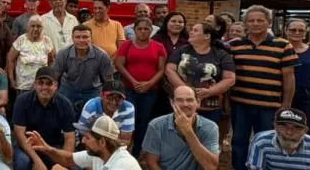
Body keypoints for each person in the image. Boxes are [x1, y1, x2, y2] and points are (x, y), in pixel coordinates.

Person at [227, 6, 298, 170]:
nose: (255, 24)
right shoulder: (235, 46)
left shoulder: (283, 45)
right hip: (240, 103)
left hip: (270, 105)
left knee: (267, 142)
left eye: (260, 20)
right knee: (239, 140)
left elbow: (289, 77)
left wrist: (286, 105)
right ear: (245, 24)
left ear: (269, 22)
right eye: (251, 20)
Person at [11, 67, 77, 170]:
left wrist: (62, 164)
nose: (44, 87)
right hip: (28, 145)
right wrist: (37, 160)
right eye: (40, 83)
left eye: (49, 83)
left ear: (56, 86)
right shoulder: (22, 100)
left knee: (76, 168)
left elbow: (70, 138)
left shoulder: (65, 104)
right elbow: (19, 134)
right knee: (22, 163)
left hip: (52, 145)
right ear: (35, 84)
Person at [165, 23, 236, 124]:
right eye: (191, 30)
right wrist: (186, 89)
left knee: (206, 132)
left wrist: (209, 92)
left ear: (207, 36)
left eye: (195, 30)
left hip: (210, 106)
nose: (191, 32)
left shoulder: (221, 55)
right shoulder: (182, 50)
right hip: (182, 103)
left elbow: (230, 79)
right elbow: (169, 70)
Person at [114, 17, 166, 150]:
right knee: (128, 118)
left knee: (144, 120)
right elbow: (119, 64)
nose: (143, 31)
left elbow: (161, 69)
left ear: (151, 30)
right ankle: (124, 147)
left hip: (150, 91)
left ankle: (138, 150)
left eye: (146, 29)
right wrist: (134, 82)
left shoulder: (159, 47)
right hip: (129, 89)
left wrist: (149, 83)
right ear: (134, 30)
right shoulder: (126, 45)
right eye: (140, 28)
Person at [54, 25, 116, 113]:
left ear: (91, 38)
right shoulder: (63, 53)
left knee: (93, 118)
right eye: (77, 37)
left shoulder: (102, 55)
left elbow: (109, 81)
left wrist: (108, 99)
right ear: (72, 38)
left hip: (92, 90)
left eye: (85, 37)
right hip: (68, 89)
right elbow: (55, 78)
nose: (81, 40)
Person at [7, 16, 55, 93]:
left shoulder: (47, 41)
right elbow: (10, 59)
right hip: (23, 86)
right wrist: (11, 79)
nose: (35, 29)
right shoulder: (21, 40)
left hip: (42, 87)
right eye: (33, 26)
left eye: (39, 26)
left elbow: (51, 61)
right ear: (28, 27)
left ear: (43, 28)